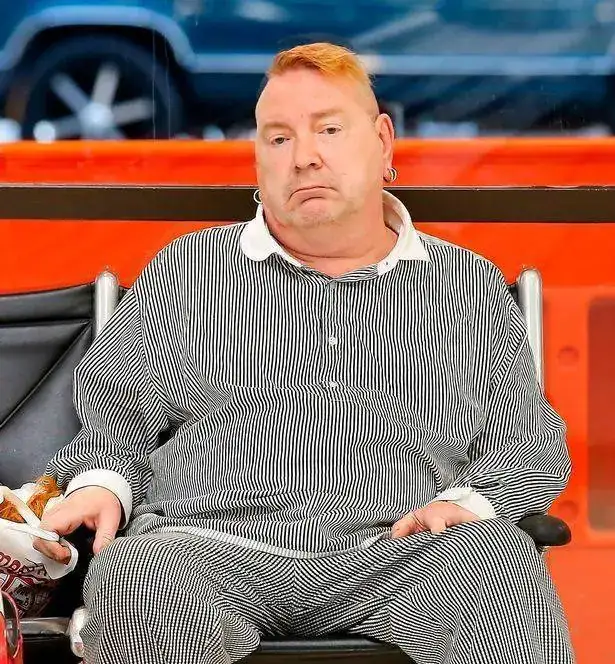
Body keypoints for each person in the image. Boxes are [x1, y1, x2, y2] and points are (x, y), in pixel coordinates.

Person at [33, 42, 574, 664]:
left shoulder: (465, 284)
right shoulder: (190, 267)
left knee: (501, 574)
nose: (304, 156)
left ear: (383, 143)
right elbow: (117, 416)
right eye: (279, 138)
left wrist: (470, 505)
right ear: (259, 161)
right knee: (141, 580)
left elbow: (529, 441)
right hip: (206, 546)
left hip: (404, 552)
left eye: (329, 130)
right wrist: (104, 484)